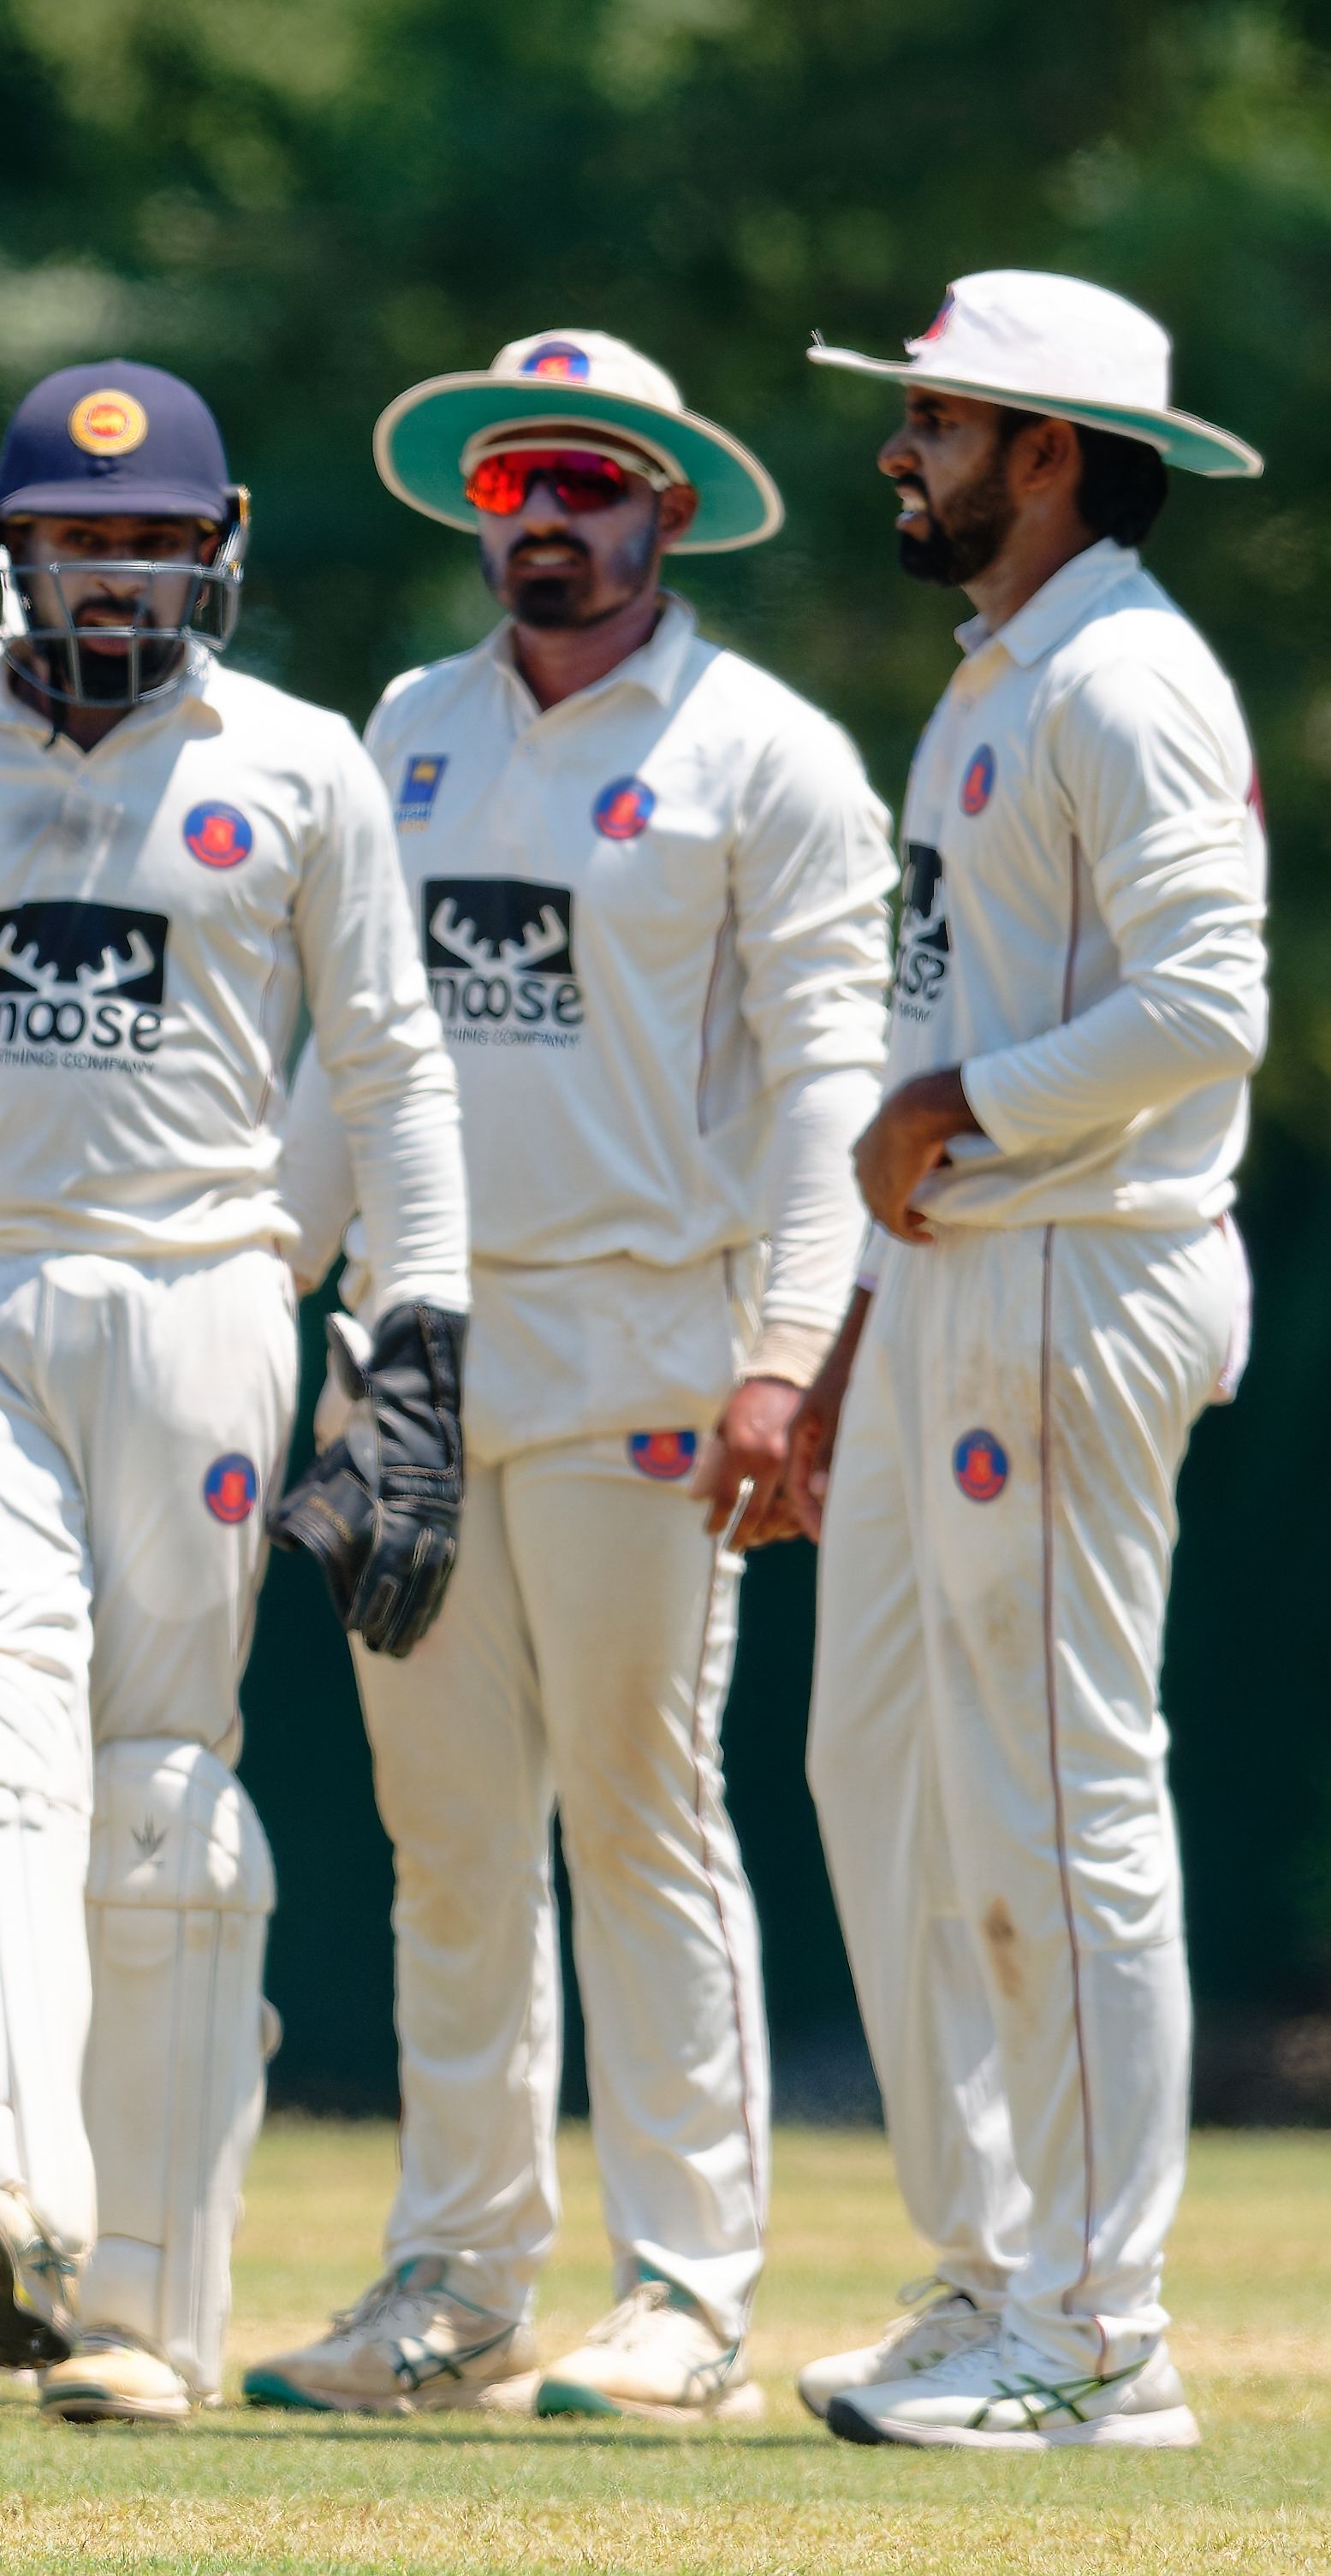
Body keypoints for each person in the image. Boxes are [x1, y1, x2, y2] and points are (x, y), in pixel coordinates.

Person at [0, 361, 469, 2425]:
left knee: (155, 1791)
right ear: (7, 542)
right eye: (72, 538)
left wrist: (416, 1350)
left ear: (214, 551)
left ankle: (141, 2310)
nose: (111, 574)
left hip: (202, 1301)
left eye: (149, 540)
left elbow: (396, 1074)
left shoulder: (303, 767)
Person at [250, 333, 888, 2422]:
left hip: (644, 1338)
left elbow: (825, 1094)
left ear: (665, 509)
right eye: (515, 485)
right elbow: (346, 1060)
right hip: (417, 1358)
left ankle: (687, 2289)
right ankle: (454, 2275)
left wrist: (787, 1357)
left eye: (587, 486)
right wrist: (256, 1296)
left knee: (638, 1811)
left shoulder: (761, 749)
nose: (546, 518)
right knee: (443, 1834)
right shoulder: (401, 732)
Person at [740, 273, 1263, 2453]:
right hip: (964, 1276)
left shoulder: (1123, 677)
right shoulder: (999, 675)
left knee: (1056, 1800)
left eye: (935, 419)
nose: (899, 450)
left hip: (1074, 1263)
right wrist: (857, 1311)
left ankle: (1096, 2327)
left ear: (1047, 450)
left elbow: (1208, 1003)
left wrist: (958, 1110)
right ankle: (993, 2273)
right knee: (894, 1779)